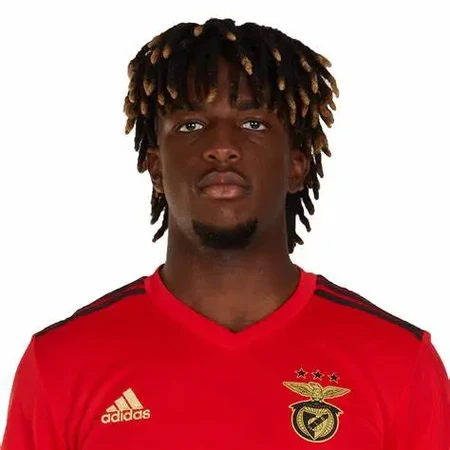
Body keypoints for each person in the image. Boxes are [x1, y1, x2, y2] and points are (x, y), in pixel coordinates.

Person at [2, 17, 449, 449]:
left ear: (297, 165)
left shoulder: (399, 362)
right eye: (191, 125)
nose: (221, 147)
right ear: (156, 167)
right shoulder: (61, 363)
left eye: (253, 124)